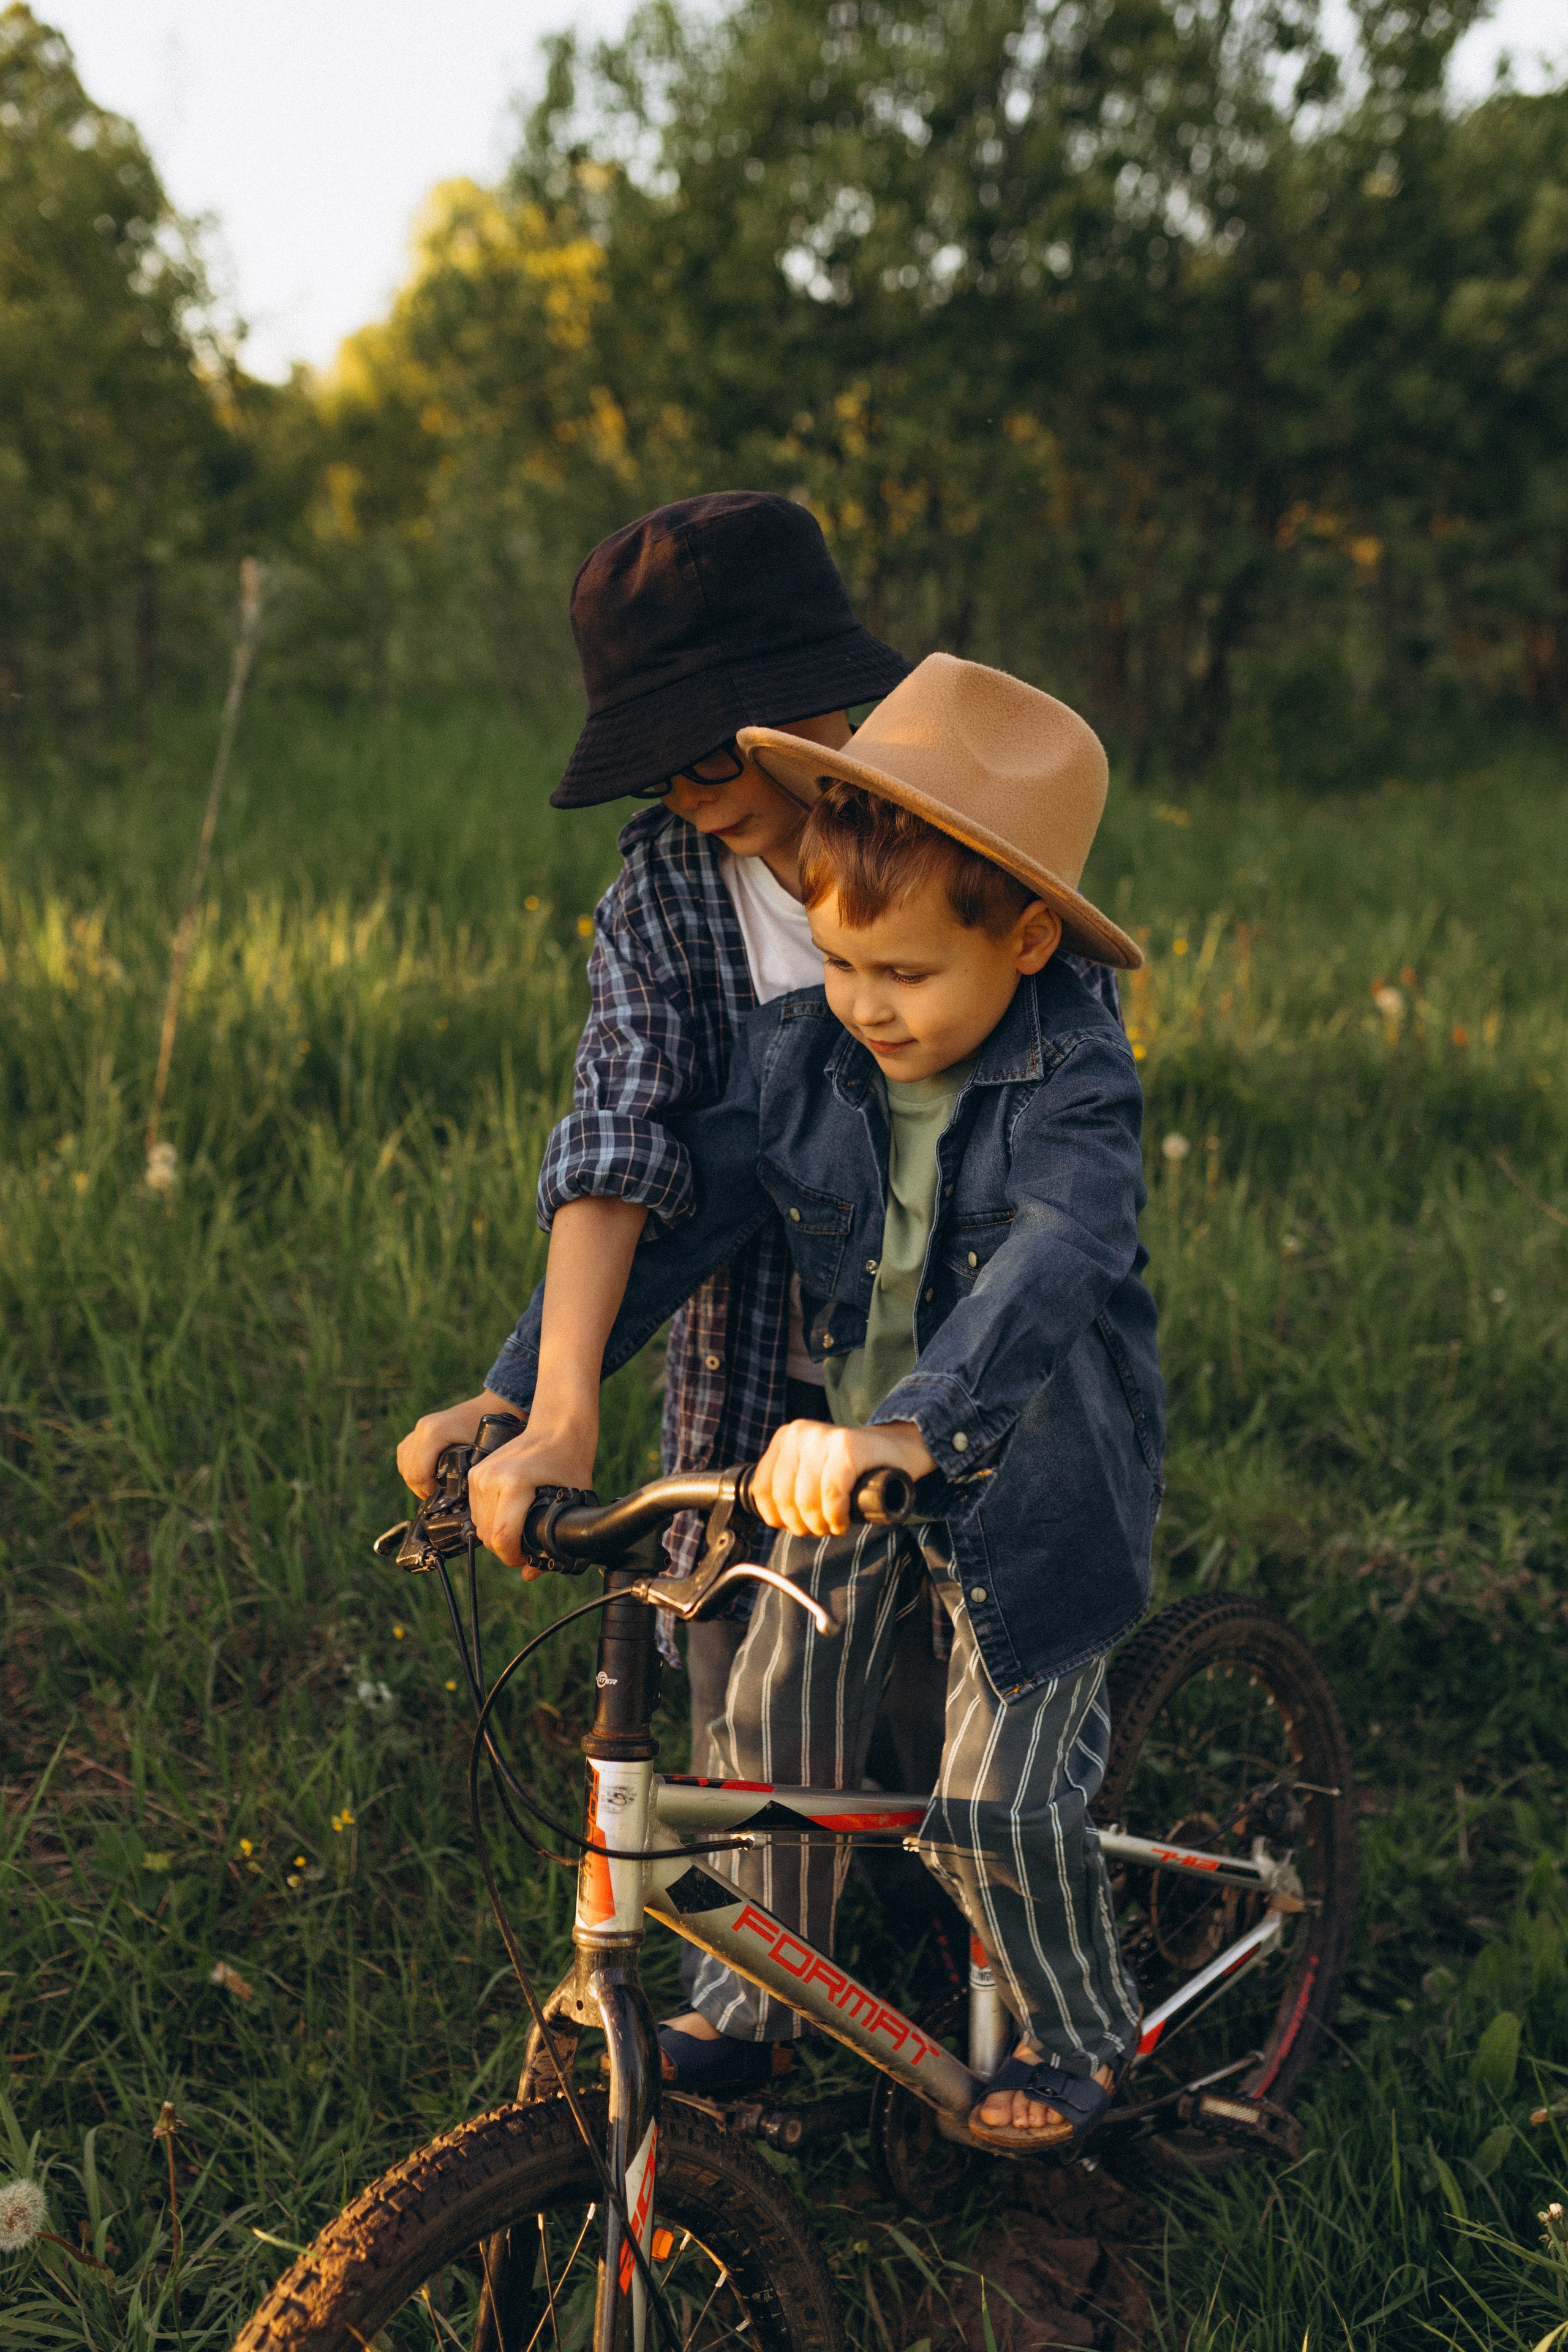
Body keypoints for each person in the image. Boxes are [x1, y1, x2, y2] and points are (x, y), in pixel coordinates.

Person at [482, 652, 1166, 2152]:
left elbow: (1056, 1256)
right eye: (843, 967)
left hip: (1021, 1477)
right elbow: (692, 1214)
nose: (866, 1007)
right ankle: (754, 2014)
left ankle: (1077, 2035)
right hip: (841, 1471)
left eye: (907, 976)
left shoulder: (1074, 1084)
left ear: (1029, 937)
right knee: (759, 1745)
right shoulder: (807, 1054)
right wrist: (519, 1396)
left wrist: (920, 1421)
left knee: (987, 1800)